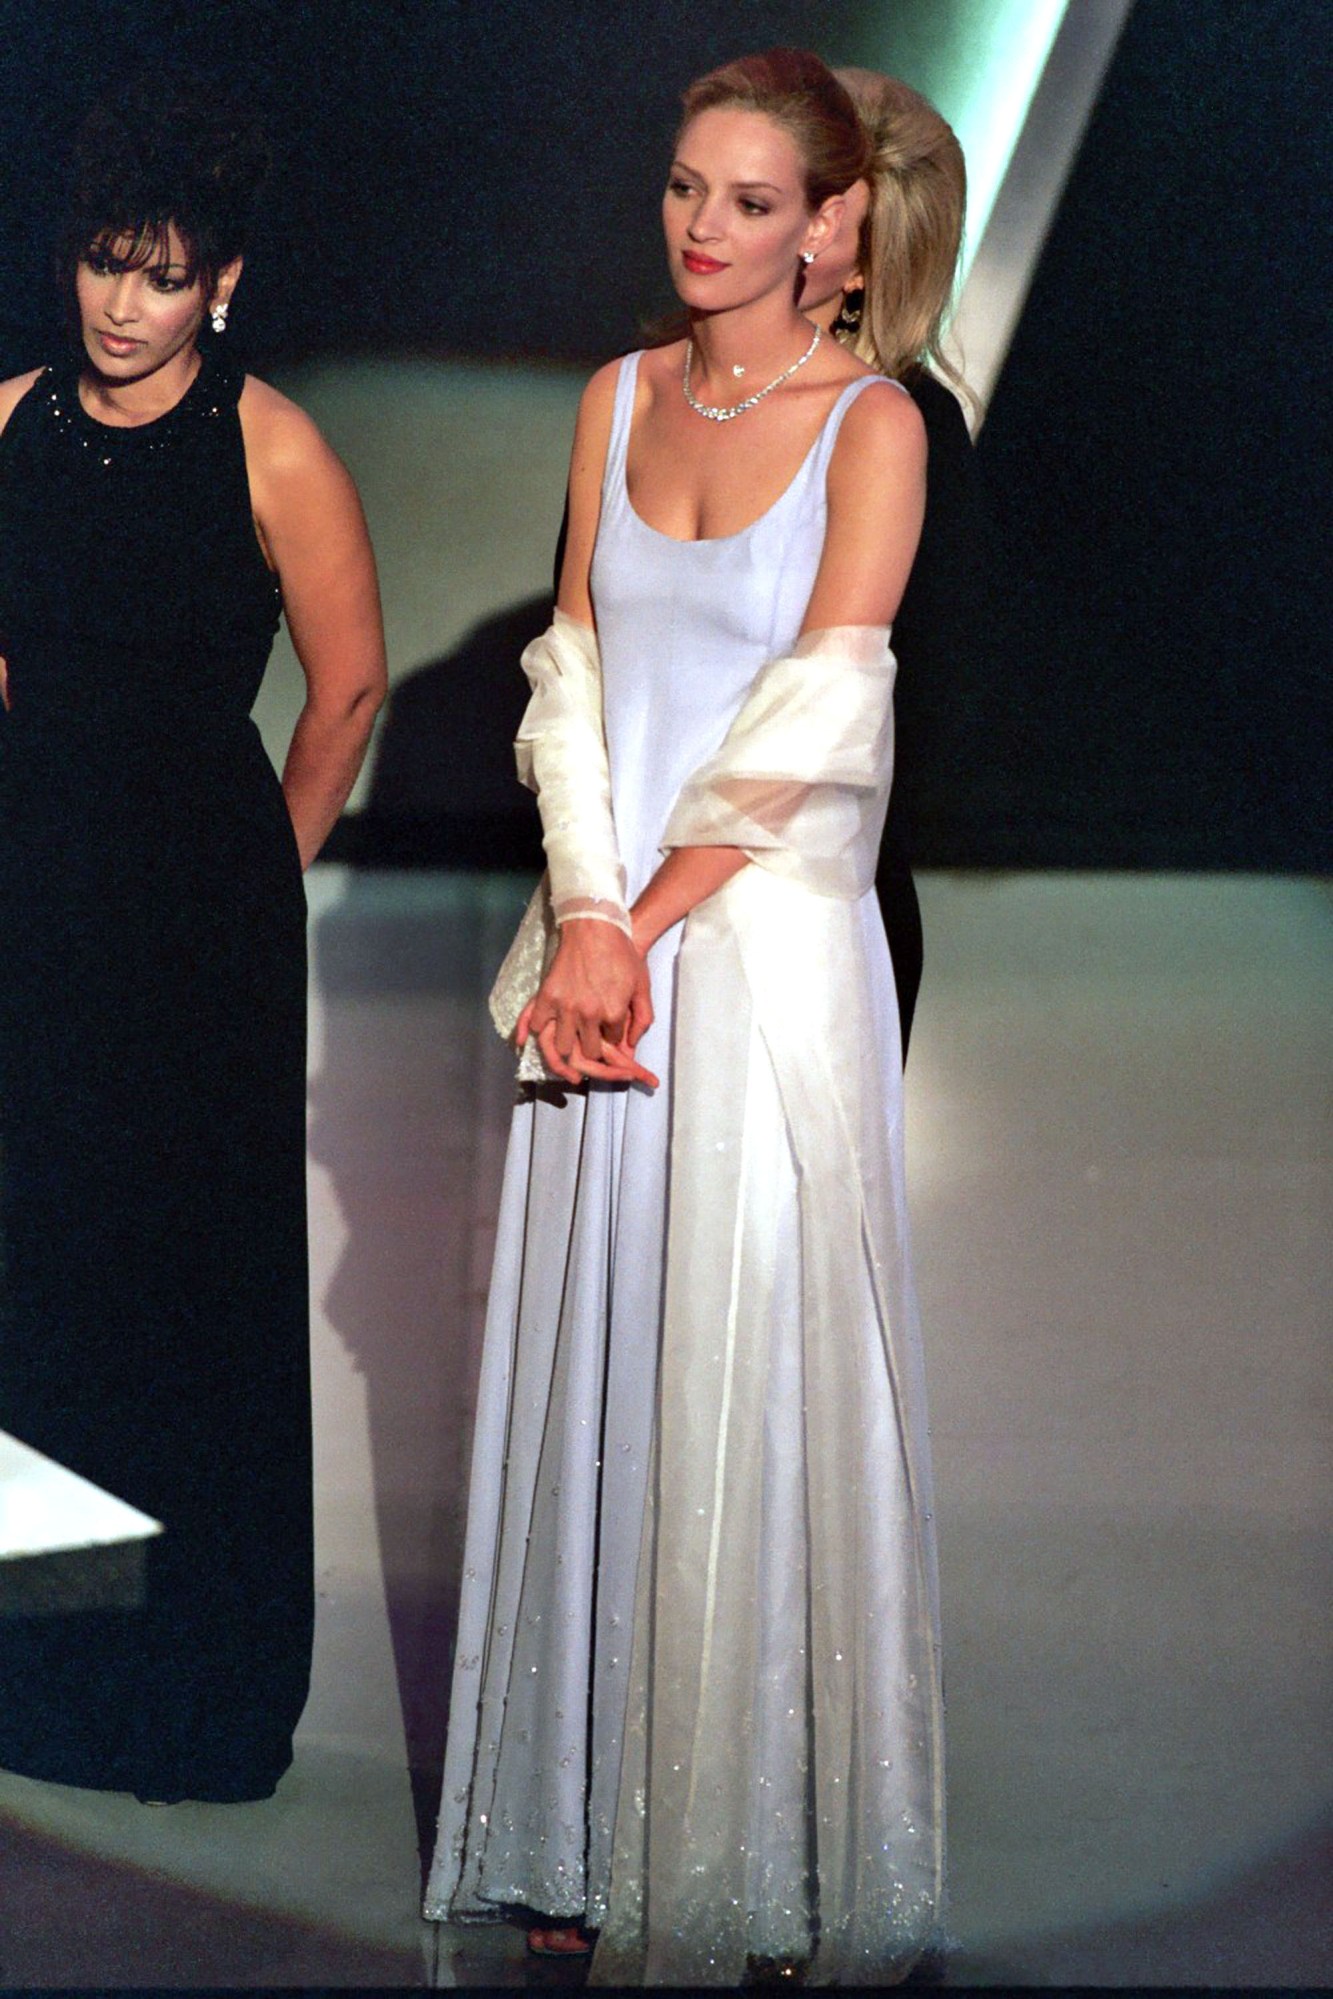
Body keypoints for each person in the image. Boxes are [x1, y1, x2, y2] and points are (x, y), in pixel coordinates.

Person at [425, 49, 949, 1984]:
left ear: (826, 228)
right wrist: (579, 913)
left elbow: (816, 723)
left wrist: (629, 926)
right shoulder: (614, 396)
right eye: (679, 187)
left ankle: (761, 1849)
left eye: (741, 200)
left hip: (758, 956)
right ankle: (577, 1810)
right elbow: (569, 665)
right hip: (606, 954)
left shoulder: (872, 423)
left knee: (744, 1375)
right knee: (603, 1364)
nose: (695, 226)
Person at [0, 75, 386, 1804]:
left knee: (190, 1296)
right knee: (42, 1283)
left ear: (220, 282)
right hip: (30, 899)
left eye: (158, 273)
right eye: (100, 261)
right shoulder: (4, 419)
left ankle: (193, 1674)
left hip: (199, 926)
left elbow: (348, 680)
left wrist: (253, 867)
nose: (118, 300)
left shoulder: (271, 442)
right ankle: (44, 1661)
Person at [800, 67, 974, 1061]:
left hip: (817, 912)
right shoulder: (638, 397)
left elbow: (923, 716)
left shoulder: (912, 436)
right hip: (621, 903)